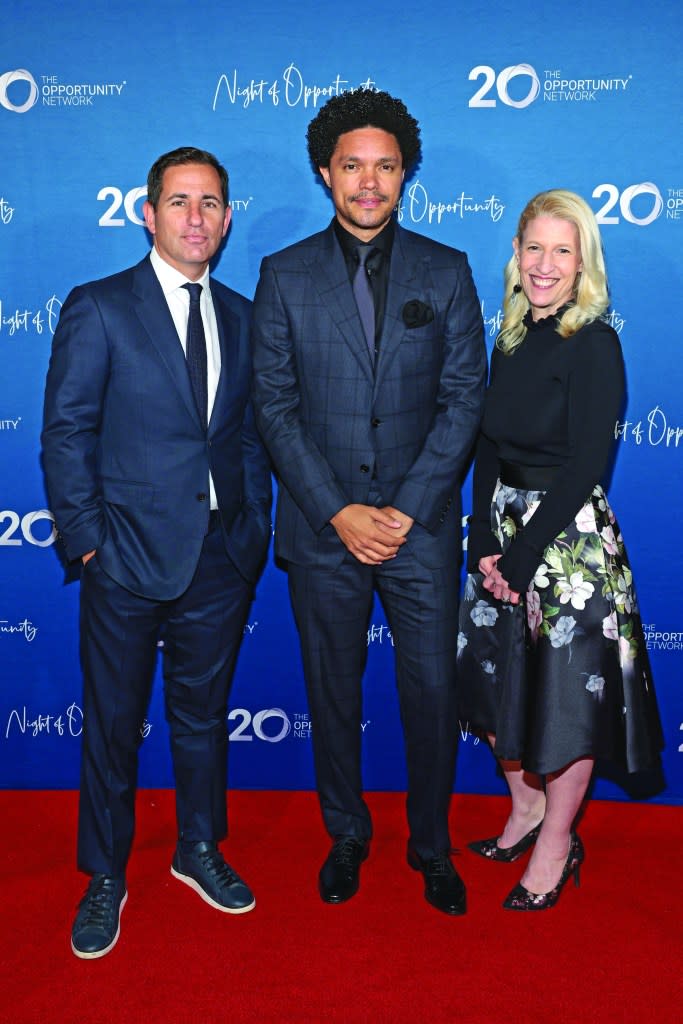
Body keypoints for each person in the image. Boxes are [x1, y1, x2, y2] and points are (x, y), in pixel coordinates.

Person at [251, 89, 486, 915]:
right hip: (323, 531)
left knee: (430, 694)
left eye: (385, 166)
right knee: (332, 689)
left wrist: (409, 506)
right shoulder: (282, 275)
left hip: (419, 531)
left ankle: (431, 845)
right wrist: (336, 510)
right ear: (325, 172)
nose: (368, 182)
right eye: (352, 165)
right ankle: (347, 833)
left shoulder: (446, 269)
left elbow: (463, 400)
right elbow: (272, 408)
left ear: (404, 174)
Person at [42, 147, 272, 958]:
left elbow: (245, 437)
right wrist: (90, 545)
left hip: (218, 558)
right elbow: (66, 433)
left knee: (203, 718)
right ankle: (105, 874)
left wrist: (249, 532)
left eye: (210, 202)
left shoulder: (243, 316)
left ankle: (196, 847)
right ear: (148, 213)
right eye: (179, 201)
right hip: (125, 559)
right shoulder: (100, 307)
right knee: (111, 722)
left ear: (227, 215)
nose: (196, 217)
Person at [458, 189, 663, 910]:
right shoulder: (509, 338)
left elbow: (585, 467)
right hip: (503, 531)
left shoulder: (593, 342)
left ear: (582, 265)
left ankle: (556, 843)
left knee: (567, 702)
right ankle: (525, 809)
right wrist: (482, 535)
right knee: (493, 687)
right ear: (514, 256)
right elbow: (485, 442)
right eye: (533, 248)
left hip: (568, 545)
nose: (545, 265)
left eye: (561, 251)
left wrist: (521, 557)